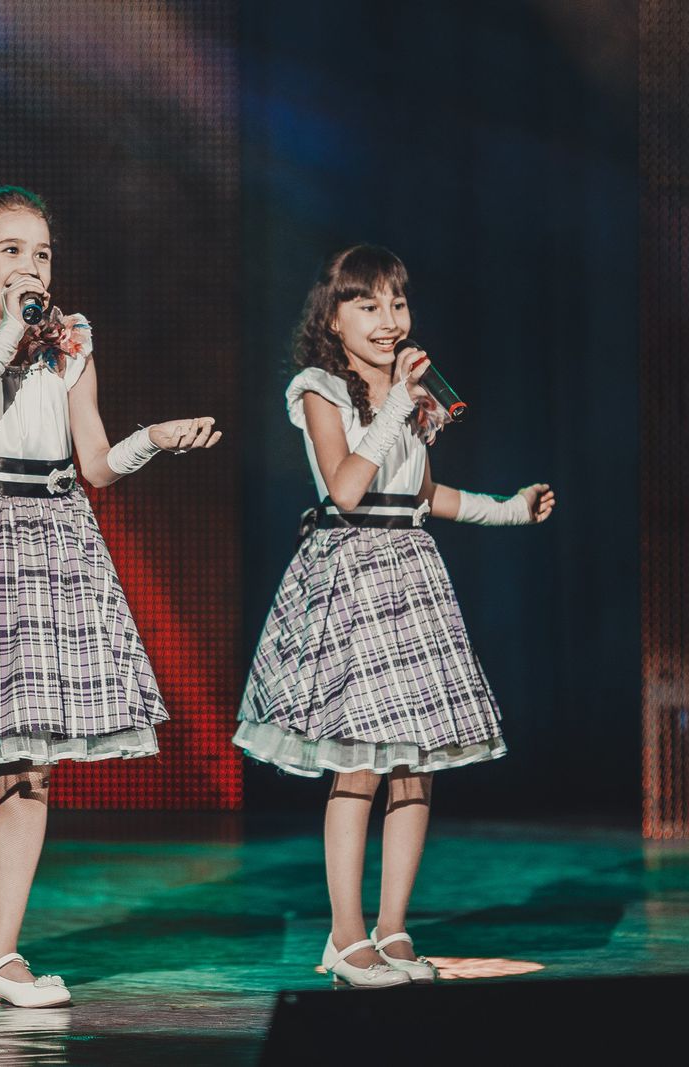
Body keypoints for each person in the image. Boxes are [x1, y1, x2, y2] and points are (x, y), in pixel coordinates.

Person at [0, 186, 220, 1010]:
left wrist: (153, 439)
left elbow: (95, 463)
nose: (32, 266)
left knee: (29, 768)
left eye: (42, 253)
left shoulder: (71, 344)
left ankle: (1, 956)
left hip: (53, 543)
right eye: (11, 250)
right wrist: (12, 331)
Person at [234, 244, 554, 988]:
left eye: (397, 304)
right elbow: (347, 488)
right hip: (352, 574)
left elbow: (423, 494)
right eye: (368, 304)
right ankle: (345, 936)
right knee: (359, 765)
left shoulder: (414, 392)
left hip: (411, 574)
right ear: (333, 317)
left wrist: (508, 509)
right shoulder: (318, 388)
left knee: (416, 765)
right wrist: (398, 406)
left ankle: (392, 927)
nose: (388, 320)